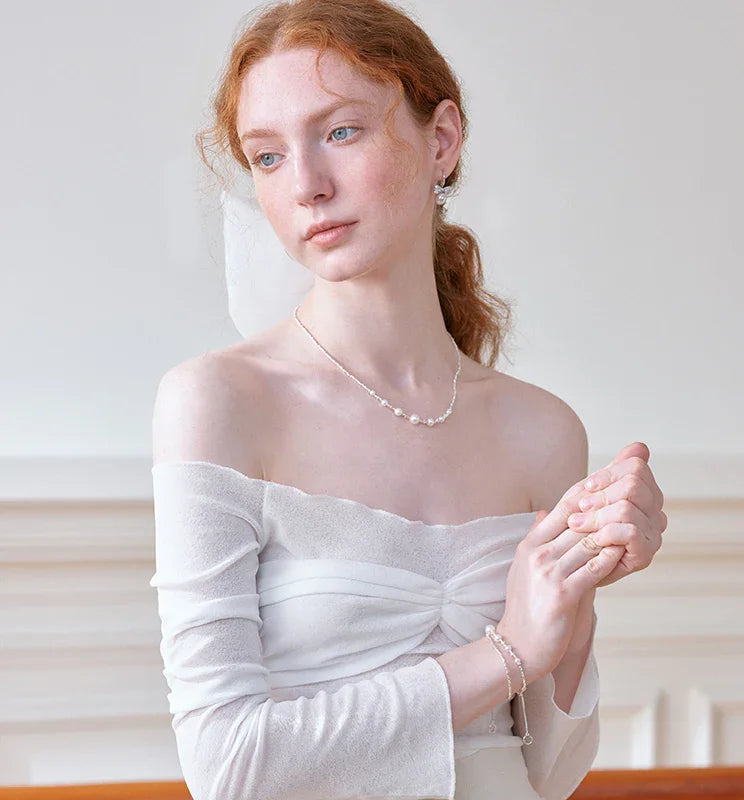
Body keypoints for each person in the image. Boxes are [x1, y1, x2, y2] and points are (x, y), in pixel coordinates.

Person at [148, 1, 668, 798]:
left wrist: (580, 591)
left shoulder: (541, 430)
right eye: (268, 157)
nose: (308, 186)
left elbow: (550, 771)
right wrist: (508, 651)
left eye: (341, 132)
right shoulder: (219, 404)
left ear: (443, 139)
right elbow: (229, 766)